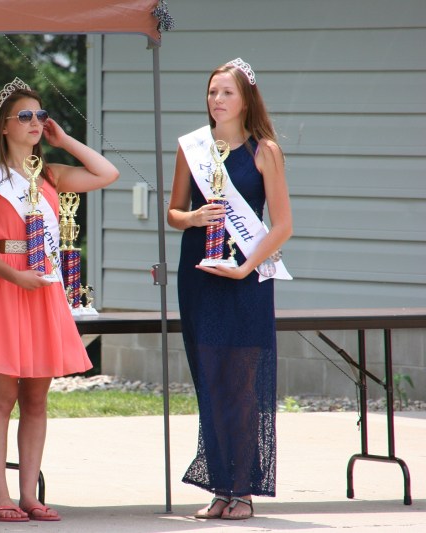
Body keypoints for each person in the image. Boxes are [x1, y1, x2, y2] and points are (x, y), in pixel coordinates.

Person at [0, 77, 119, 522]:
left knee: (36, 399)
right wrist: (15, 275)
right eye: (26, 116)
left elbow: (106, 174)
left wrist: (65, 138)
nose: (36, 122)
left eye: (41, 116)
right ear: (3, 127)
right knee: (1, 397)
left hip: (44, 290)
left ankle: (30, 494)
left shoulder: (49, 174)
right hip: (6, 288)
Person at [167, 58, 292, 520]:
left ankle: (242, 490)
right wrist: (193, 218)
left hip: (244, 279)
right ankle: (220, 486)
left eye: (226, 93)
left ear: (246, 101)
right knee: (208, 380)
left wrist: (245, 270)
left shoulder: (265, 152)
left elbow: (282, 226)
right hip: (198, 273)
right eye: (212, 92)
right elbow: (173, 212)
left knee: (239, 384)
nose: (216, 100)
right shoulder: (192, 149)